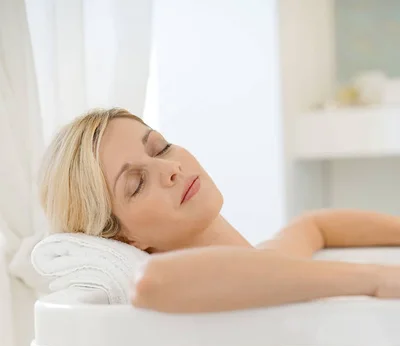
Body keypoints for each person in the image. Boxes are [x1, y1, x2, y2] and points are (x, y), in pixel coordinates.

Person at [40, 107, 400, 313]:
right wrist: (376, 279)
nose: (170, 169)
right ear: (123, 237)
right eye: (136, 184)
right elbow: (154, 281)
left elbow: (316, 226)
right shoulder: (170, 292)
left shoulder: (272, 263)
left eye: (161, 148)